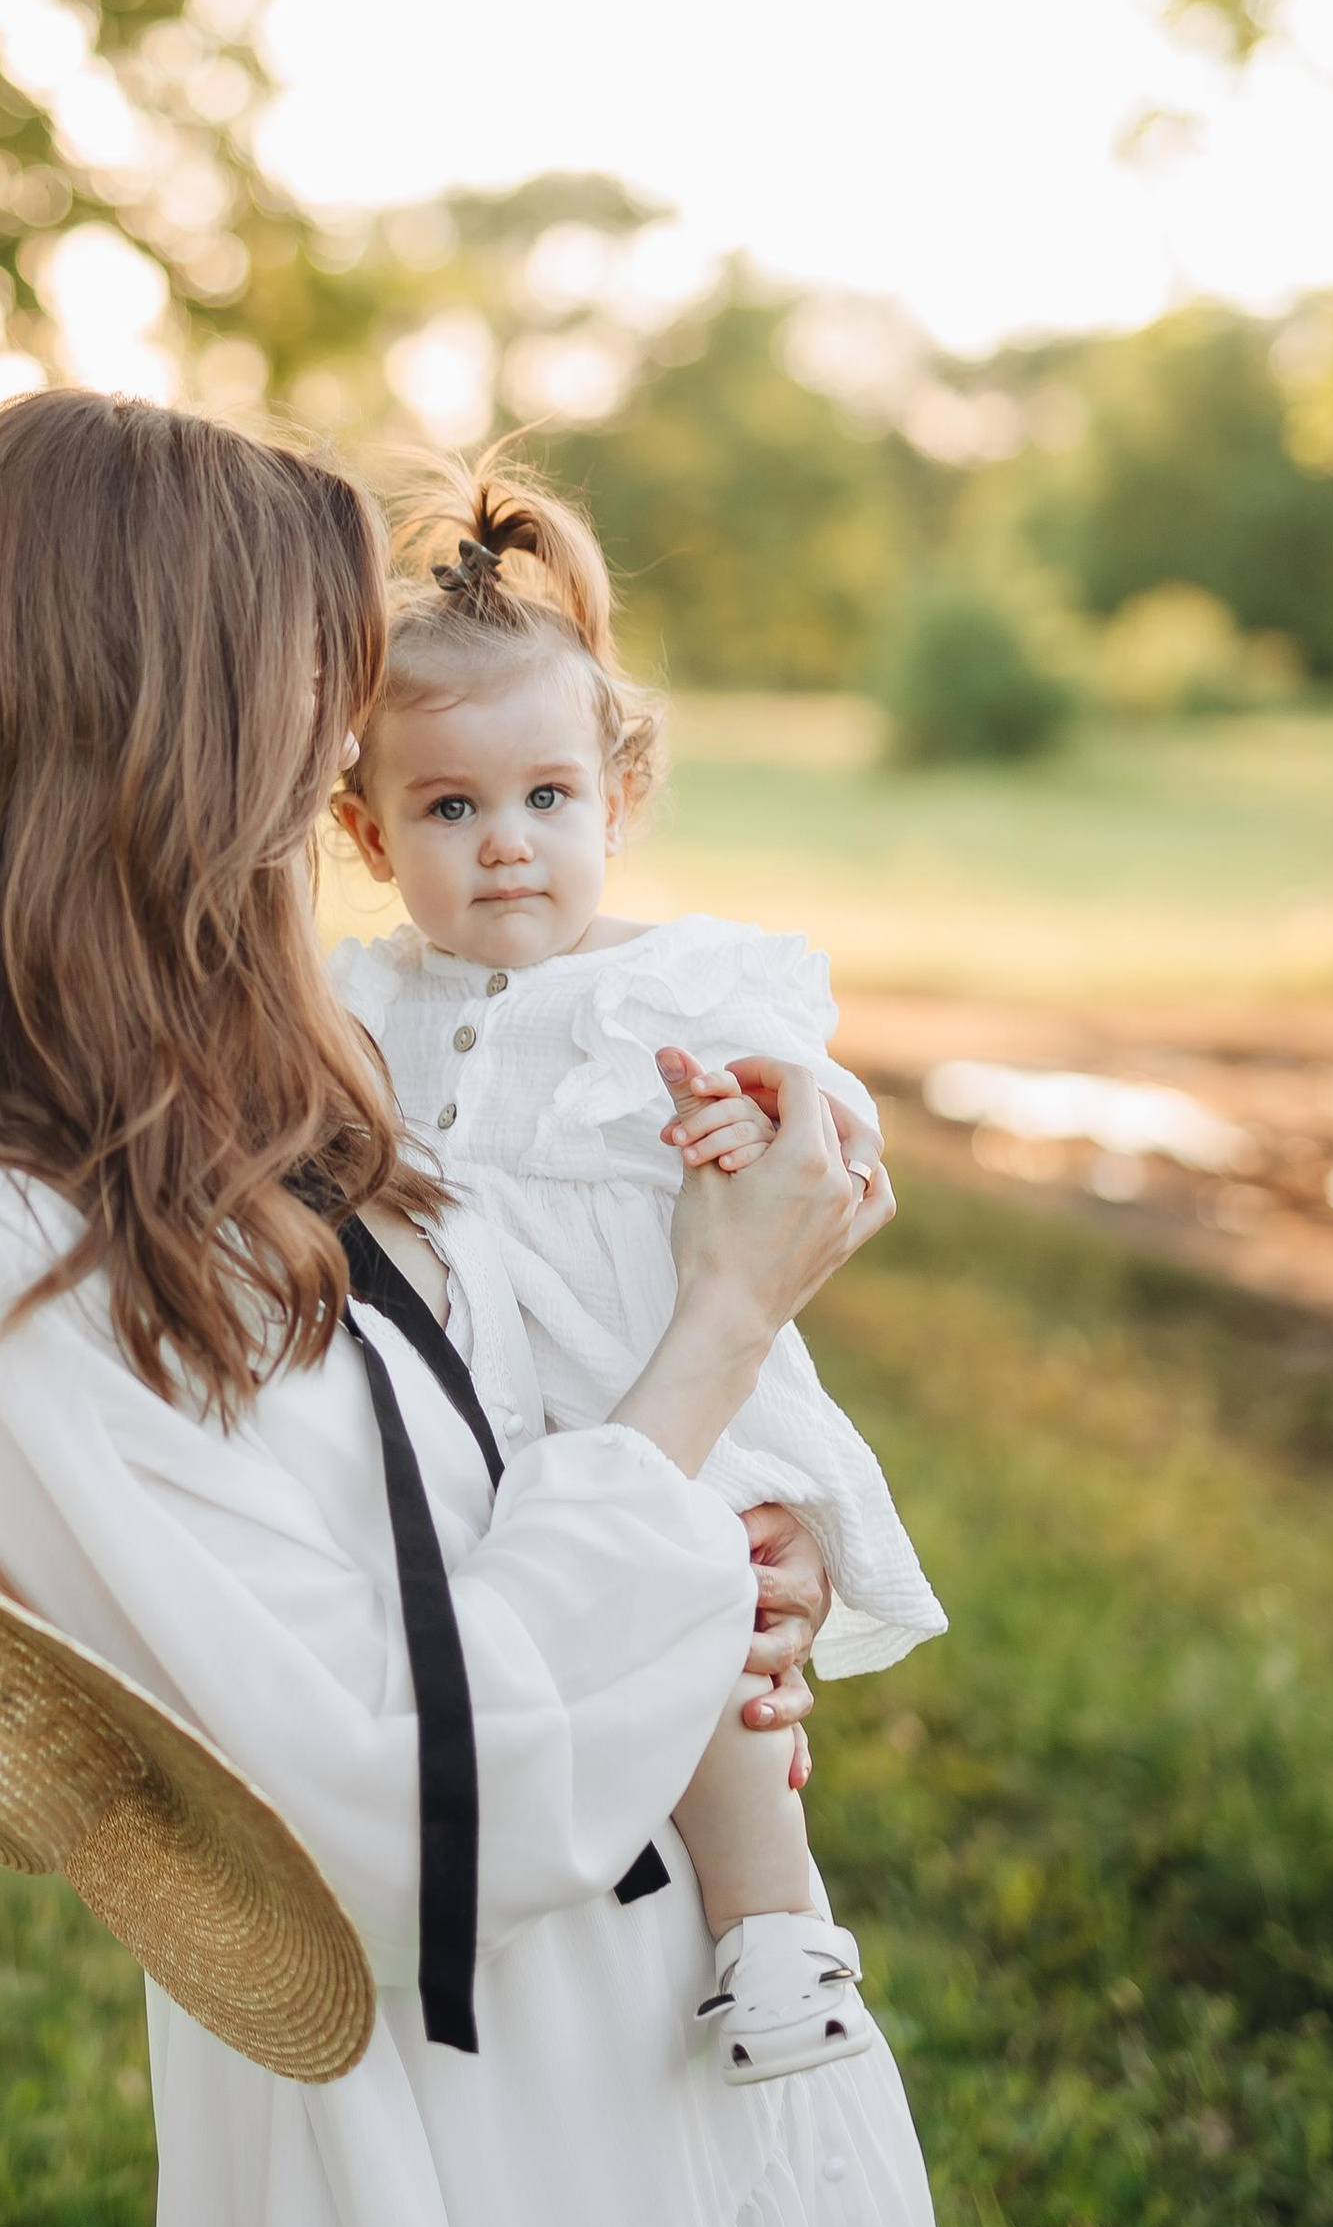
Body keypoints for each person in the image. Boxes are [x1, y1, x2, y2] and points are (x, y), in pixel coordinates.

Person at [0, 390, 952, 2227]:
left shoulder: (271, 1082)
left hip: (631, 2027)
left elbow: (505, 1448)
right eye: (308, 688)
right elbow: (407, 1799)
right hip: (438, 2109)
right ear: (176, 726)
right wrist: (723, 1335)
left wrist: (736, 1548)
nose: (357, 741)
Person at [330, 456, 948, 2085]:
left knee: (709, 1622)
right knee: (546, 1627)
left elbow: (831, 1125)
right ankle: (563, 1888)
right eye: (448, 810)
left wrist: (756, 1123)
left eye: (547, 800)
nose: (508, 846)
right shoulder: (358, 1000)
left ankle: (775, 1932)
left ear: (618, 796)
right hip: (476, 1408)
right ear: (367, 830)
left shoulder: (673, 985)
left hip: (654, 1366)